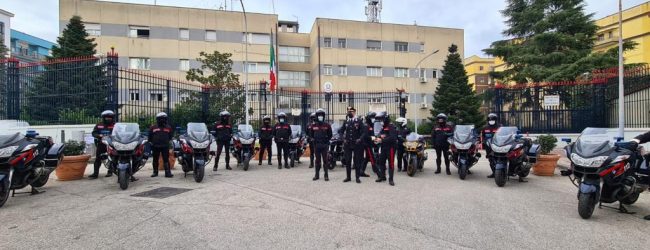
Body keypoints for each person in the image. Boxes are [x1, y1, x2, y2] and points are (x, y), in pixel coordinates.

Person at [340, 107, 364, 183]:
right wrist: (343, 139)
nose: (350, 112)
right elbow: (341, 131)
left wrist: (360, 139)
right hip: (348, 144)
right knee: (348, 161)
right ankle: (348, 177)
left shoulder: (359, 121)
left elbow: (364, 132)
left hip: (356, 144)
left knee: (357, 161)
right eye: (349, 111)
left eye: (352, 111)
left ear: (355, 112)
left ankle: (357, 177)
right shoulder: (346, 121)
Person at [89, 110, 116, 179]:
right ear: (104, 118)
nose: (108, 118)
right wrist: (99, 135)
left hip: (111, 144)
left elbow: (119, 133)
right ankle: (95, 174)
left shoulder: (115, 125)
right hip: (101, 144)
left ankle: (110, 172)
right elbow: (93, 133)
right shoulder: (99, 125)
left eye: (110, 117)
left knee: (112, 157)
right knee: (98, 158)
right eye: (107, 117)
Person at [148, 112, 174, 178]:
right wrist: (152, 143)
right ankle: (155, 172)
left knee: (166, 159)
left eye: (164, 118)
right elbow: (149, 137)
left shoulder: (168, 127)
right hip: (155, 146)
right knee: (155, 159)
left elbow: (170, 136)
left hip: (165, 146)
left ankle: (168, 173)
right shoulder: (153, 127)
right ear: (158, 119)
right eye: (160, 119)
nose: (162, 120)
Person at [309, 109, 332, 181]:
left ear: (323, 116)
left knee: (325, 161)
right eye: (319, 116)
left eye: (321, 115)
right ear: (317, 116)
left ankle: (326, 175)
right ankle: (317, 175)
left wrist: (326, 140)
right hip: (317, 146)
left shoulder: (327, 125)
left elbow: (330, 135)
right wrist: (313, 139)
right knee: (317, 161)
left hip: (324, 146)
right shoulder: (313, 126)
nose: (320, 117)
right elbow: (311, 135)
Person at [375, 112, 397, 186]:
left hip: (390, 148)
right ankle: (382, 176)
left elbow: (392, 138)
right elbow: (380, 135)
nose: (381, 121)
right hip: (383, 147)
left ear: (385, 119)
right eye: (380, 120)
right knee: (381, 162)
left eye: (382, 119)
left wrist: (382, 140)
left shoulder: (391, 126)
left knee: (391, 163)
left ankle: (391, 179)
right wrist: (377, 138)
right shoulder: (383, 127)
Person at [481, 113, 501, 178]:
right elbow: (483, 136)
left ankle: (500, 173)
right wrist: (484, 142)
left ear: (496, 120)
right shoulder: (485, 127)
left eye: (493, 120)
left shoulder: (500, 127)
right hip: (488, 147)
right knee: (491, 160)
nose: (491, 121)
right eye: (490, 120)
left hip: (498, 146)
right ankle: (494, 173)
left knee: (499, 159)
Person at [361, 112, 377, 177]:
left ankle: (361, 171)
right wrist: (372, 137)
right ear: (369, 118)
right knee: (372, 158)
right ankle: (377, 171)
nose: (373, 119)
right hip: (367, 144)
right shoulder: (366, 125)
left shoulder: (370, 125)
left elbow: (372, 133)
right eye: (372, 118)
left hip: (369, 143)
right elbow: (365, 136)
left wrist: (374, 138)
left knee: (367, 158)